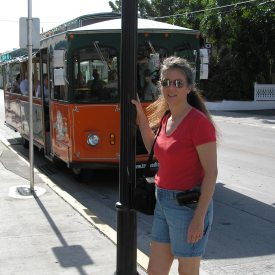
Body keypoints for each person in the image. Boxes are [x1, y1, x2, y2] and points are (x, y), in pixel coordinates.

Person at [132, 56, 217, 275]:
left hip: (187, 207)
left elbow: (211, 173)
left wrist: (199, 218)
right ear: (160, 85)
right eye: (166, 82)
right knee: (156, 272)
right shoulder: (166, 118)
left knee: (187, 272)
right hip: (163, 201)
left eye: (178, 83)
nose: (171, 87)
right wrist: (142, 120)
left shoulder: (198, 123)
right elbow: (156, 149)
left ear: (189, 87)